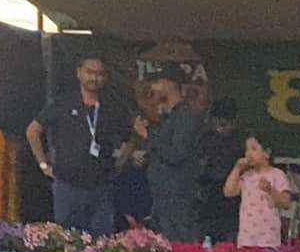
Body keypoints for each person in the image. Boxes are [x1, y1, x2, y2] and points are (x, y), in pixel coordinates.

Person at [25, 52, 130, 238]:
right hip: (68, 186)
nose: (94, 78)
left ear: (105, 77)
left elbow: (131, 137)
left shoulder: (113, 107)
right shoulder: (64, 103)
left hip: (100, 188)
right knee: (67, 239)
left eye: (99, 74)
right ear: (79, 73)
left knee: (102, 243)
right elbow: (33, 130)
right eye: (90, 72)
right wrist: (43, 164)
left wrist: (119, 164)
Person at [137, 66, 204, 242]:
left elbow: (177, 154)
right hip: (163, 196)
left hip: (178, 198)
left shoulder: (185, 117)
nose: (154, 88)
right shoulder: (171, 117)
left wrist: (148, 136)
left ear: (169, 84)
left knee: (180, 247)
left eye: (157, 83)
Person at [223, 134, 292, 248]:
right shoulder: (246, 176)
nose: (248, 154)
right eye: (247, 150)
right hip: (246, 239)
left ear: (266, 153)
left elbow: (286, 203)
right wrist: (237, 168)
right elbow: (228, 192)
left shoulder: (277, 175)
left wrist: (270, 190)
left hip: (268, 239)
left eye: (254, 149)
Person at [198, 96, 242, 241]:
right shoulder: (206, 139)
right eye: (218, 123)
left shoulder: (241, 141)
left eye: (225, 123)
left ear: (234, 121)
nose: (221, 128)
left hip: (234, 196)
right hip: (210, 194)